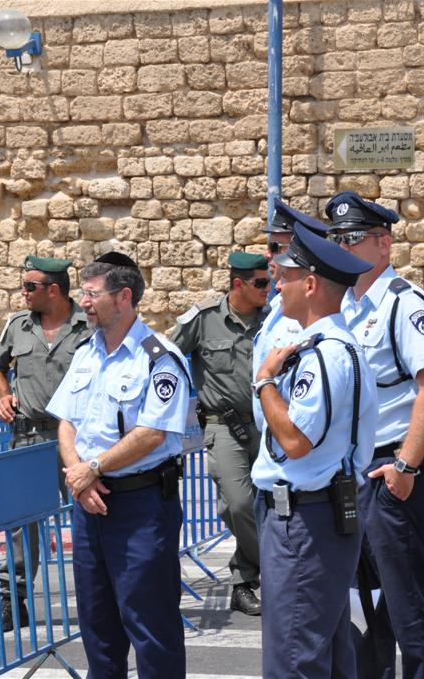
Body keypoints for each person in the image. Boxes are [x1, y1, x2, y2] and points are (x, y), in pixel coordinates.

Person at [45, 251, 191, 678]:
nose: (83, 303)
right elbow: (67, 422)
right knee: (98, 628)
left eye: (92, 294)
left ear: (123, 297)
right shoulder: (87, 352)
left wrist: (93, 467)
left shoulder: (158, 357)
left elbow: (152, 433)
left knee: (150, 626)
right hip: (89, 505)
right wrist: (79, 476)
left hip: (141, 507)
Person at [325, 191, 424, 679]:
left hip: (393, 470)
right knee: (363, 604)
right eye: (336, 238)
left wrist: (405, 467)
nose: (342, 246)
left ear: (384, 245)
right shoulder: (346, 307)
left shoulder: (406, 305)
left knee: (405, 601)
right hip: (353, 473)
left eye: (352, 238)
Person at [252, 221, 377, 679]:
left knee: (293, 660)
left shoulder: (326, 354)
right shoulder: (324, 346)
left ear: (309, 284)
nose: (275, 284)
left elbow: (294, 441)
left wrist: (265, 382)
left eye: (284, 277)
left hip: (304, 522)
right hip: (311, 517)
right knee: (327, 654)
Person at [0, 255, 90, 633]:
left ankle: (100, 597)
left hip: (77, 438)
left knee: (91, 516)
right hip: (28, 436)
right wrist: (2, 394)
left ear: (54, 289)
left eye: (30, 286)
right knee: (22, 524)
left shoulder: (88, 326)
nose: (23, 292)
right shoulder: (17, 326)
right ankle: (13, 602)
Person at [170, 251, 270, 616]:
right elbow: (163, 355)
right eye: (260, 283)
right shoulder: (204, 319)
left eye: (269, 281)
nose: (267, 289)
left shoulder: (274, 319)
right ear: (237, 284)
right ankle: (278, 571)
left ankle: (243, 581)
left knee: (268, 504)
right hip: (222, 425)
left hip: (267, 423)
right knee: (239, 503)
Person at [252, 200, 330, 434]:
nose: (267, 254)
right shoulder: (278, 304)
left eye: (275, 246)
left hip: (299, 439)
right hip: (274, 439)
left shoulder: (315, 307)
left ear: (298, 250)